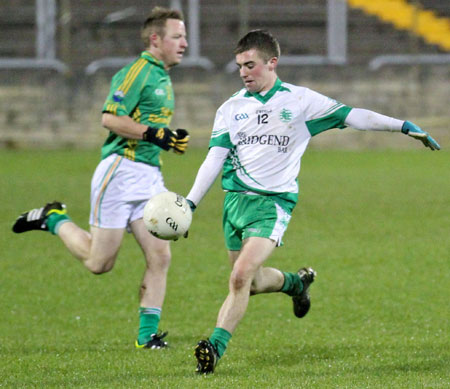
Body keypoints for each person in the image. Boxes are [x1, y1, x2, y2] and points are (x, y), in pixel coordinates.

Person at [185, 29, 440, 374]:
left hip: (273, 204)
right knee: (253, 281)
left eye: (250, 65)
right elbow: (214, 159)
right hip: (234, 204)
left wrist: (403, 126)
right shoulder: (231, 108)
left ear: (272, 63)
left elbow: (354, 116)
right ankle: (295, 283)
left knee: (240, 277)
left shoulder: (300, 101)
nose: (244, 72)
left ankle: (214, 349)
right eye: (239, 66)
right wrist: (190, 204)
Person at [12, 6, 190, 350]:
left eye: (184, 36)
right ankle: (54, 218)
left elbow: (148, 127)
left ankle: (147, 337)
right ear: (156, 39)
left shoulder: (164, 76)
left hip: (149, 177)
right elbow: (110, 118)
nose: (184, 42)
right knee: (99, 263)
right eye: (177, 36)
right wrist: (156, 135)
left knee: (161, 257)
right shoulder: (136, 72)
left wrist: (167, 138)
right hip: (120, 172)